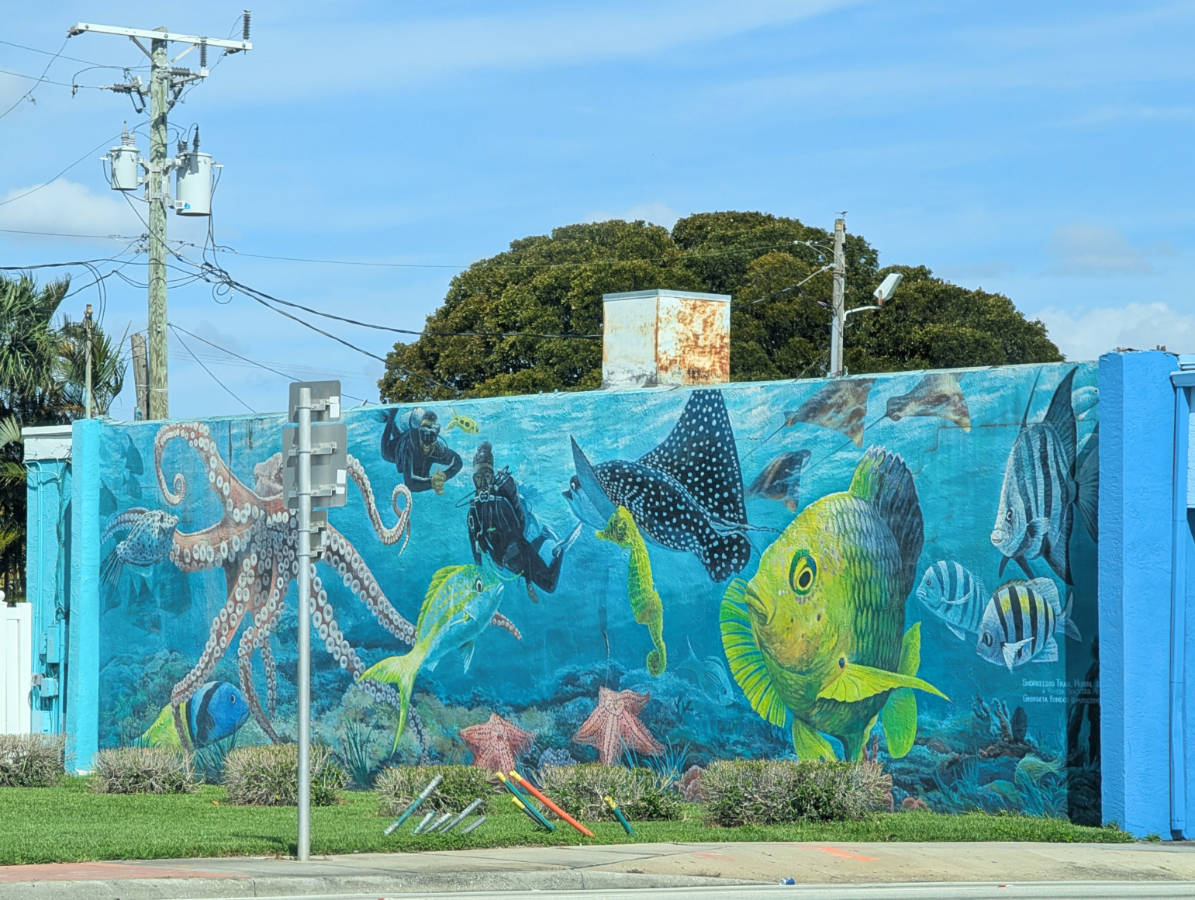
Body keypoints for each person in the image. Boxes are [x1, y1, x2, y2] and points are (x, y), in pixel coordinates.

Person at [466, 442, 580, 601]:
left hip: (520, 555)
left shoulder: (502, 504)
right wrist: (478, 575)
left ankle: (559, 551)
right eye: (478, 479)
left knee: (549, 585)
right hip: (506, 561)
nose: (483, 484)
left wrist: (528, 583)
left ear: (492, 477)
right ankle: (543, 536)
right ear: (473, 481)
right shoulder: (473, 511)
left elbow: (520, 541)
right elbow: (475, 544)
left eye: (487, 477)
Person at [380, 408, 462, 494]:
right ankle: (390, 418)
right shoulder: (408, 449)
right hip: (401, 445)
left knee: (422, 474)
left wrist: (445, 475)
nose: (427, 444)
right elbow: (410, 485)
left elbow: (457, 461)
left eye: (431, 436)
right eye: (425, 435)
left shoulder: (437, 448)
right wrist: (433, 482)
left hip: (411, 438)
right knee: (385, 453)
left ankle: (394, 423)